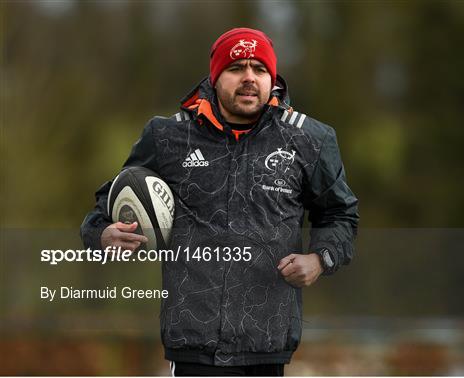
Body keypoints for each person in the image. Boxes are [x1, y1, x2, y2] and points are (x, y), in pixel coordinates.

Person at [81, 27, 358, 376]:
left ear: (272, 78)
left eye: (259, 69)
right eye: (236, 68)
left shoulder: (310, 139)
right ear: (215, 78)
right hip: (192, 347)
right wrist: (103, 234)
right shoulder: (167, 137)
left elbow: (340, 214)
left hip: (266, 346)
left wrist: (320, 258)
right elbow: (105, 205)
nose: (248, 78)